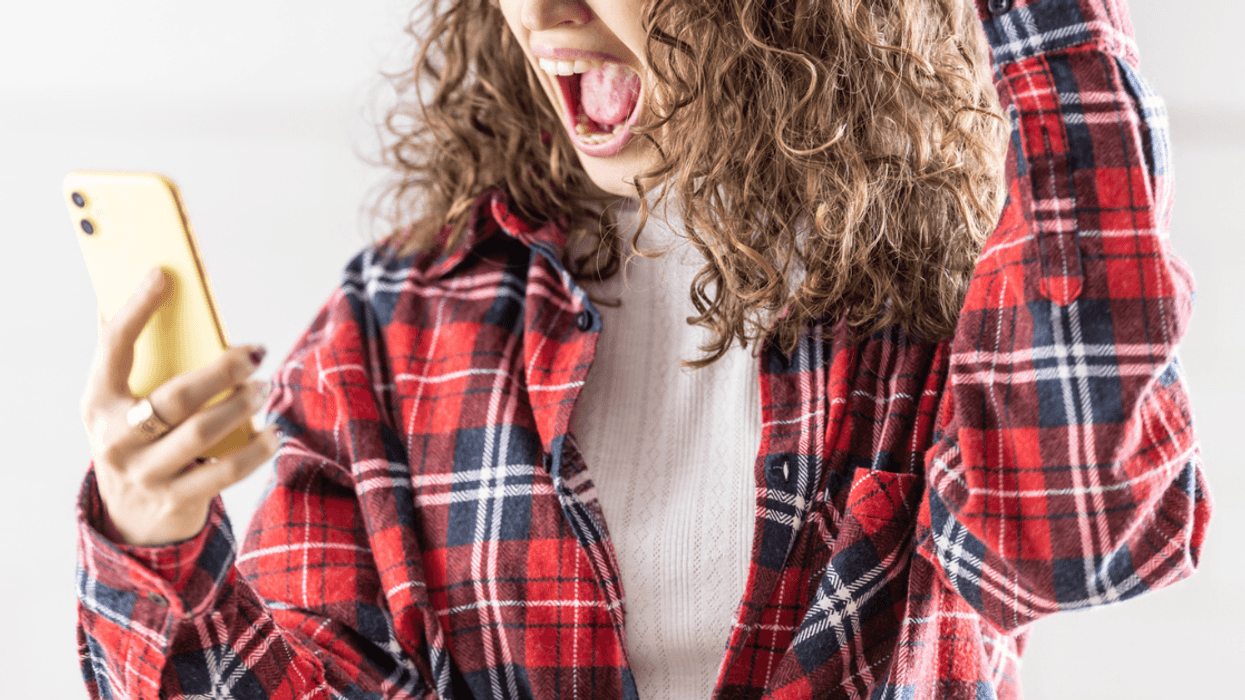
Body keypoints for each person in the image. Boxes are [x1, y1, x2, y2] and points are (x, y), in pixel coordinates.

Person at [73, 0, 1212, 698]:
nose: (544, 13)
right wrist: (154, 540)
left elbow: (1080, 539)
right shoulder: (397, 328)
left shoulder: (947, 294)